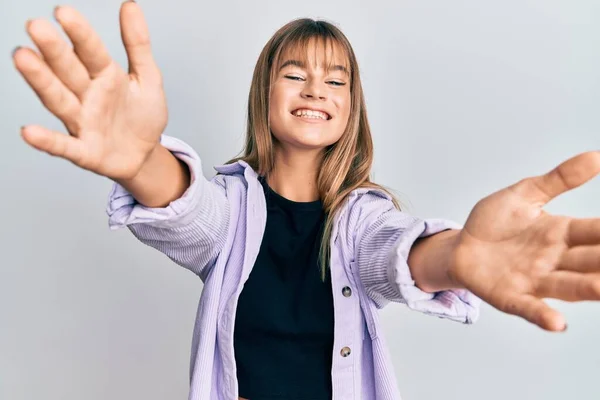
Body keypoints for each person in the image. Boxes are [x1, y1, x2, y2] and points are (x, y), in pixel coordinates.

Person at [12, 2, 600, 400]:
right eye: (296, 73)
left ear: (351, 108)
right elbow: (188, 212)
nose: (317, 88)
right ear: (264, 92)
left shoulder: (360, 218)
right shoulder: (231, 213)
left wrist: (457, 255)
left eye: (337, 80)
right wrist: (141, 160)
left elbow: (392, 252)